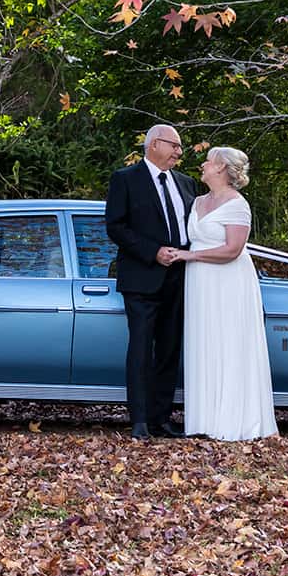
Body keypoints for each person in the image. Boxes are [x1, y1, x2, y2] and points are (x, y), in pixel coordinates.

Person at [160, 145, 277, 441]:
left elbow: (232, 250)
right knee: (204, 343)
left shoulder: (238, 204)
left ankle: (234, 421)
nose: (203, 164)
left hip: (228, 282)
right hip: (200, 283)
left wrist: (189, 257)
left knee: (229, 343)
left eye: (208, 161)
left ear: (222, 168)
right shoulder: (198, 200)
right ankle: (205, 420)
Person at [104, 124, 199, 440]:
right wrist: (153, 252)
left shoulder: (186, 184)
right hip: (142, 278)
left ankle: (162, 418)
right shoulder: (125, 179)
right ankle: (140, 421)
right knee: (142, 350)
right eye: (175, 145)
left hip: (181, 277)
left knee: (170, 350)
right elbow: (116, 227)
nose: (179, 152)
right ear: (155, 144)